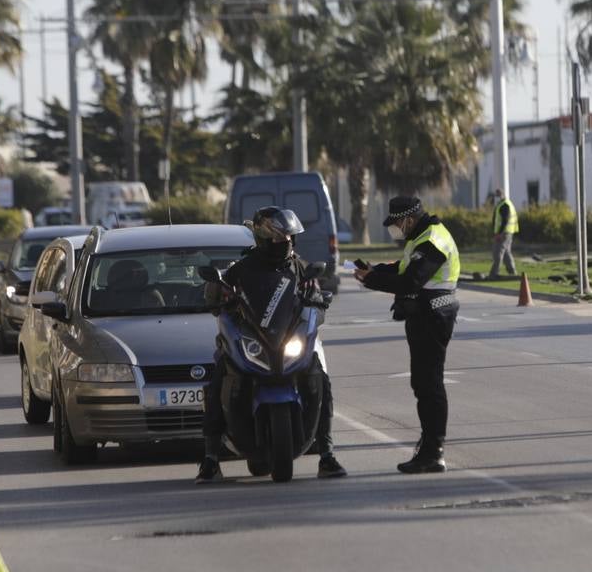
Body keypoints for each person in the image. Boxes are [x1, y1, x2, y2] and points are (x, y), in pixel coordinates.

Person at [195, 206, 345, 483]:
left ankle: (327, 454)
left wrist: (319, 299)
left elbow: (316, 296)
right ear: (263, 239)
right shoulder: (241, 269)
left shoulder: (299, 266)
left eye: (289, 238)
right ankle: (210, 459)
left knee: (320, 376)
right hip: (251, 341)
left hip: (288, 341)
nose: (285, 243)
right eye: (279, 238)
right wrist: (217, 294)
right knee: (218, 376)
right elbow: (215, 295)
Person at [354, 196, 459, 473]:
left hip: (434, 316)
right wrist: (375, 270)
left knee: (430, 384)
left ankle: (434, 451)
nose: (395, 229)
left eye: (396, 223)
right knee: (422, 384)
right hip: (424, 316)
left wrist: (372, 280)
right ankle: (428, 448)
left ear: (408, 219)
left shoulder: (433, 239)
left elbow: (412, 280)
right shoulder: (420, 237)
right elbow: (403, 269)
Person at [487, 188, 518, 279]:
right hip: (507, 233)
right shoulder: (504, 204)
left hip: (503, 233)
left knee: (498, 253)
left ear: (502, 195)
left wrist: (499, 233)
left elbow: (505, 220)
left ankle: (493, 273)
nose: (496, 197)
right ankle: (512, 271)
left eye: (498, 195)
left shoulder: (505, 205)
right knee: (506, 253)